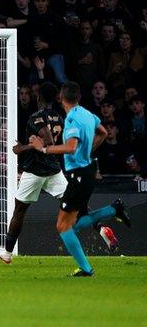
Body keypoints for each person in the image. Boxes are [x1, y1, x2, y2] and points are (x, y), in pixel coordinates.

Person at [0, 83, 119, 263]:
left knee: (19, 210)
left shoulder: (35, 117)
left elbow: (47, 141)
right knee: (77, 206)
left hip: (34, 171)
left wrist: (22, 148)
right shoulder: (60, 117)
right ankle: (102, 229)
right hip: (54, 171)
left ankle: (7, 253)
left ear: (38, 97)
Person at [28, 82, 131, 276]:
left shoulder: (72, 119)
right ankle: (113, 208)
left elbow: (71, 147)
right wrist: (89, 150)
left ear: (61, 97)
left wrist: (43, 148)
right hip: (88, 169)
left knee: (62, 226)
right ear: (79, 97)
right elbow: (103, 132)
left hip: (79, 176)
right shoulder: (87, 113)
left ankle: (86, 268)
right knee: (72, 224)